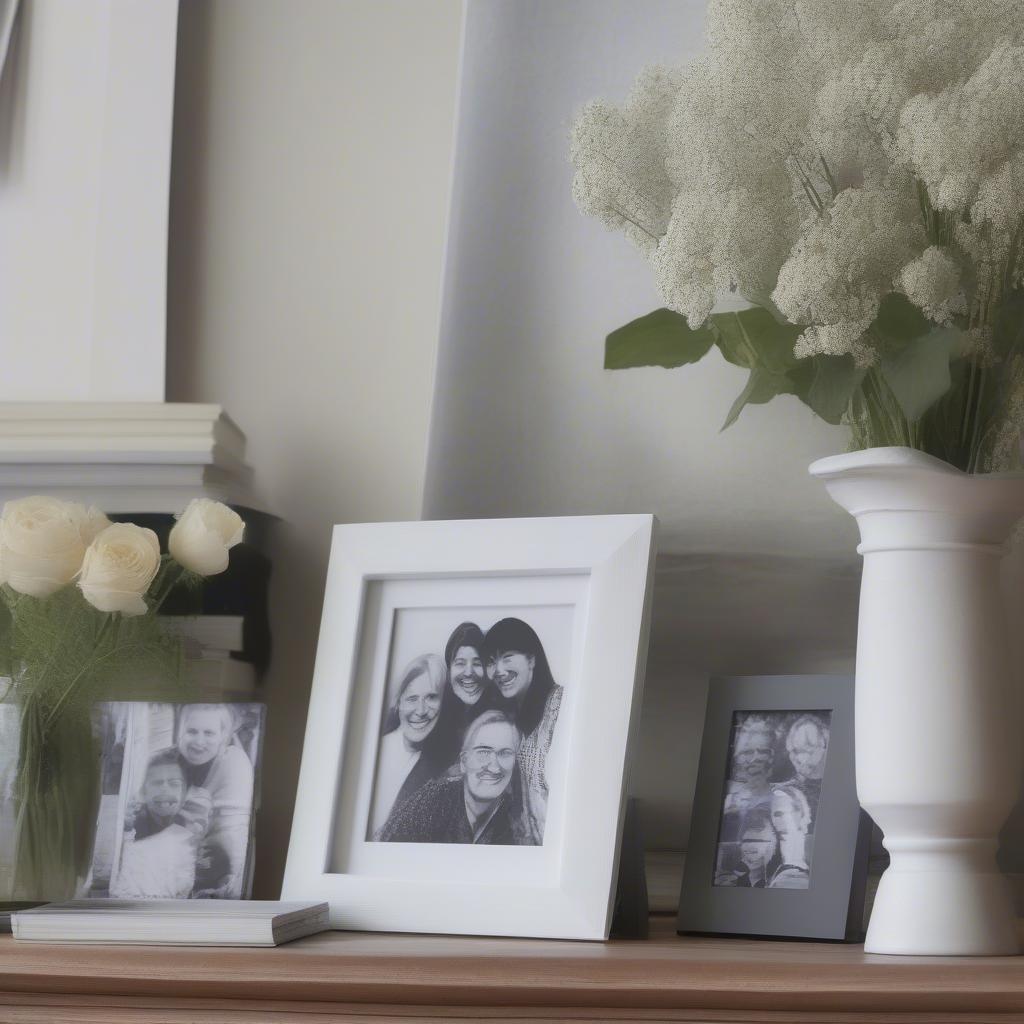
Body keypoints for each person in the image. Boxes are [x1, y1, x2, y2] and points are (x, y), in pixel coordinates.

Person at [376, 710, 531, 845]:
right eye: (483, 751)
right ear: (464, 761)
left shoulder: (517, 821)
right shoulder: (433, 800)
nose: (494, 766)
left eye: (505, 753)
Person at [484, 618, 562, 845]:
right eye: (491, 661)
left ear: (531, 659)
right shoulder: (509, 724)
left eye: (507, 657)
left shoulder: (560, 706)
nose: (499, 670)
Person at [176, 704, 254, 898]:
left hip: (219, 872)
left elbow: (233, 834)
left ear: (223, 737)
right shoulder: (168, 760)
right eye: (191, 731)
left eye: (209, 733)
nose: (199, 741)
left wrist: (229, 883)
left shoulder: (233, 763)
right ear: (180, 731)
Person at [110, 748, 209, 899]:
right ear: (144, 791)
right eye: (157, 783)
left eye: (174, 784)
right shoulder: (127, 834)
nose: (164, 790)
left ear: (184, 793)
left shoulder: (195, 840)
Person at [368, 653, 448, 837]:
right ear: (398, 703)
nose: (420, 710)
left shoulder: (440, 768)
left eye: (431, 698)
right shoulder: (376, 751)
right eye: (412, 698)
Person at [428, 622, 498, 767]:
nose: (468, 672)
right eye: (460, 663)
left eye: (477, 663)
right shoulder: (431, 720)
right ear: (449, 670)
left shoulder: (500, 723)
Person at [720, 715, 776, 842]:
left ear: (771, 756)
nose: (755, 758)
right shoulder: (727, 796)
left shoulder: (781, 797)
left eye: (763, 751)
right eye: (748, 752)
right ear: (738, 757)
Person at [781, 714, 829, 824]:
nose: (798, 758)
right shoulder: (788, 789)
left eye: (808, 748)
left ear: (824, 745)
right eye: (795, 751)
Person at [767, 782, 812, 888]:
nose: (785, 818)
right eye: (778, 813)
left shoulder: (812, 845)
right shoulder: (770, 852)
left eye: (792, 810)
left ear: (802, 812)